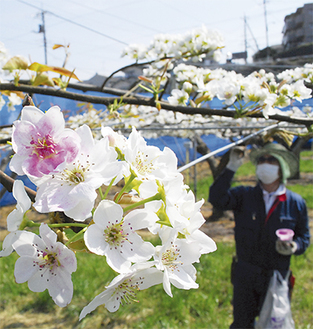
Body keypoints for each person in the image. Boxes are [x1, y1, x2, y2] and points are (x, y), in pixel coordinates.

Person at [209, 142, 310, 329]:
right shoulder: (244, 195)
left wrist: (294, 246)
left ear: (282, 168)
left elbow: (304, 237)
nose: (265, 163)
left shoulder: (295, 203)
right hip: (245, 273)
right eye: (262, 160)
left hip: (276, 274)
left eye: (272, 160)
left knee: (273, 323)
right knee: (242, 323)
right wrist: (231, 167)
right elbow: (216, 198)